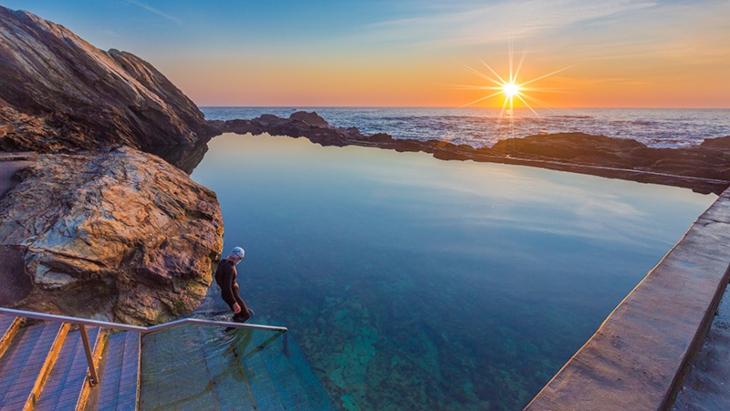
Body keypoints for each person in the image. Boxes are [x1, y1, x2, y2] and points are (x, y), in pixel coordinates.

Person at [215, 246, 252, 322]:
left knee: (238, 315)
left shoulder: (222, 262)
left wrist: (221, 287)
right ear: (237, 258)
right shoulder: (230, 268)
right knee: (245, 316)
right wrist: (234, 303)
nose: (240, 260)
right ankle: (225, 332)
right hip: (232, 296)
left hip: (226, 294)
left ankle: (232, 322)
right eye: (240, 258)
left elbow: (217, 277)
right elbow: (227, 287)